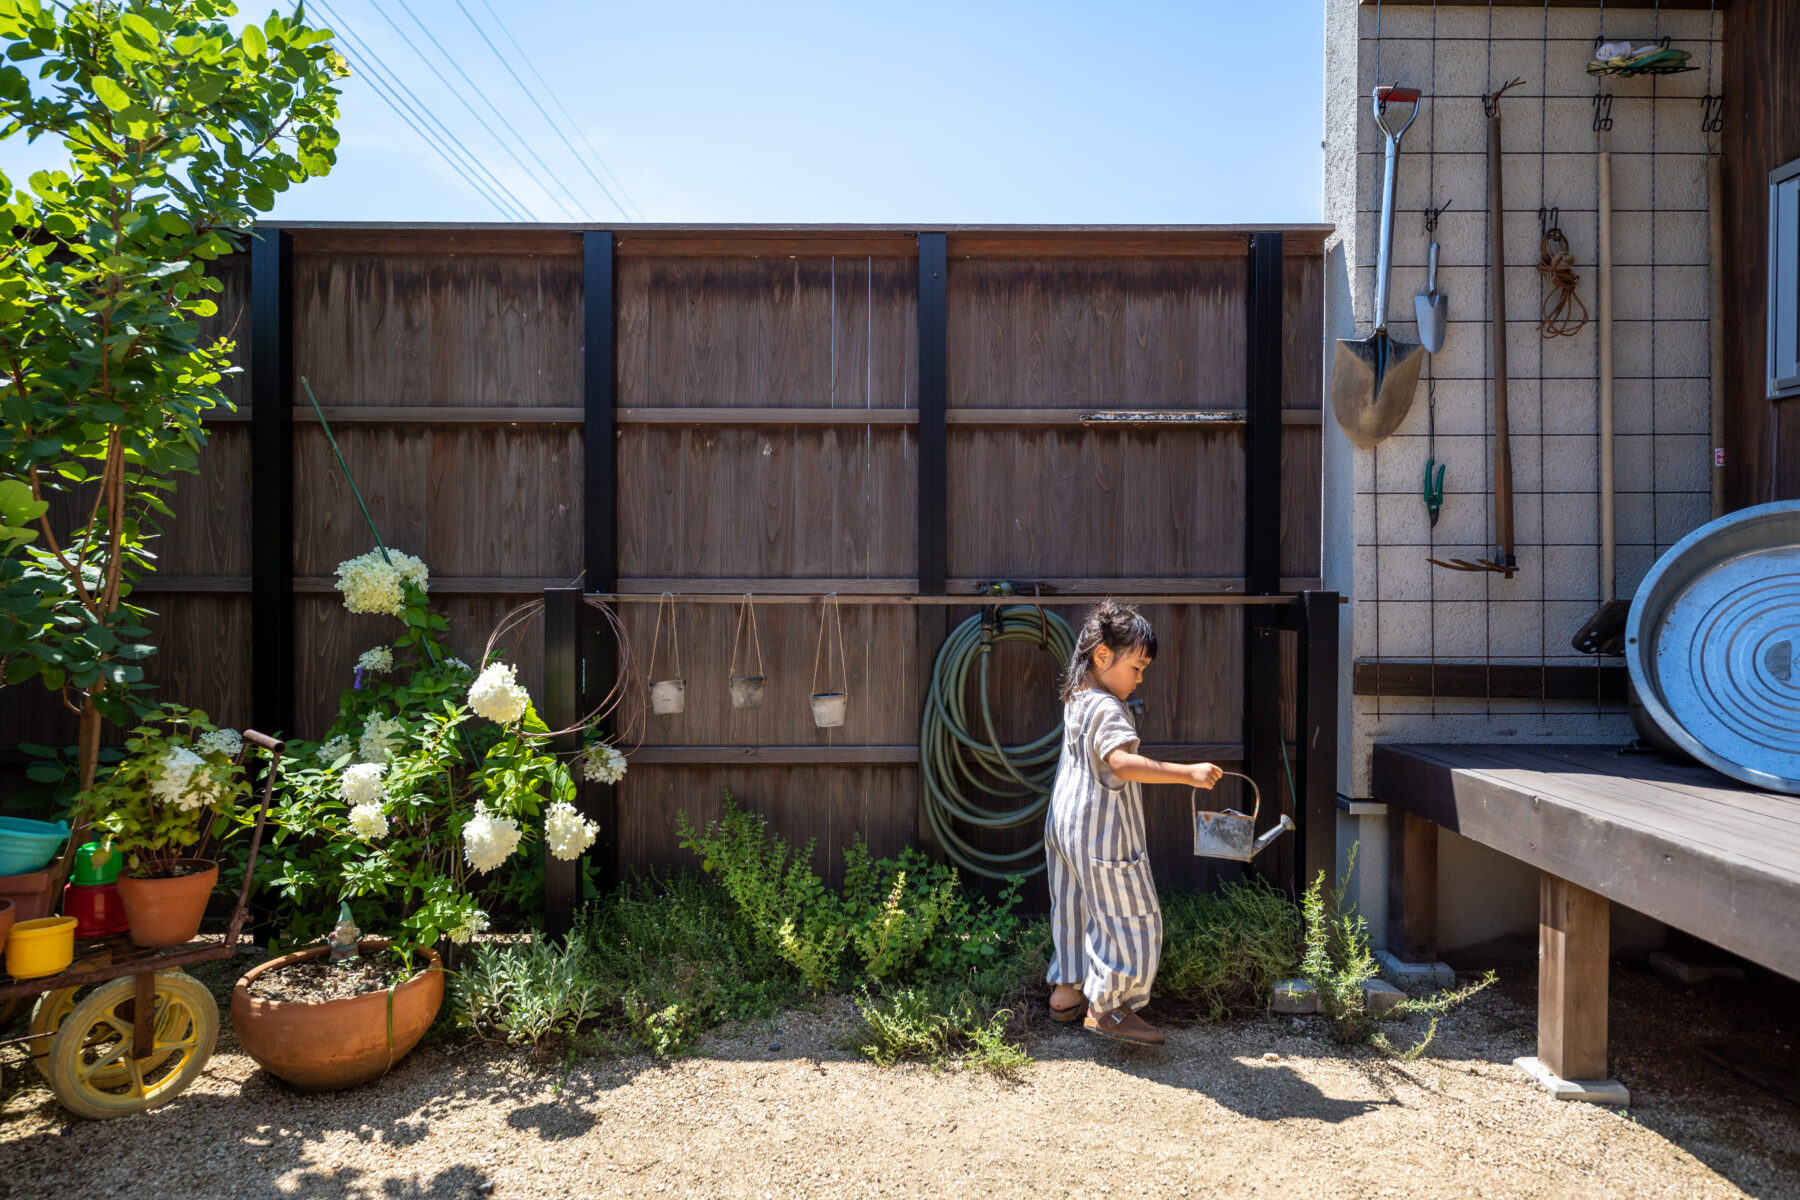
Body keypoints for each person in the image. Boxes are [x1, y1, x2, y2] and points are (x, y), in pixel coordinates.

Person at [1045, 599, 1222, 1046]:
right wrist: (1188, 774)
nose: (1140, 678)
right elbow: (1122, 763)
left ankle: (1067, 991)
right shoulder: (1106, 707)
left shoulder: (1078, 696)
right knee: (1133, 916)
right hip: (1102, 832)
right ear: (1103, 656)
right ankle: (1108, 1006)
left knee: (1073, 907)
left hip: (1064, 824)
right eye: (1137, 667)